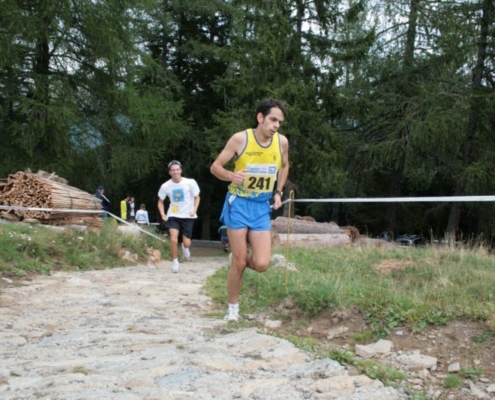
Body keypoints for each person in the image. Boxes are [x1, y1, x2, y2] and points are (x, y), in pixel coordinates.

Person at [210, 98, 289, 321]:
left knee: (262, 264)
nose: (276, 125)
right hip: (239, 204)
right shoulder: (240, 139)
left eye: (280, 122)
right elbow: (215, 166)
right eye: (273, 120)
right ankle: (233, 308)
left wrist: (278, 192)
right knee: (239, 261)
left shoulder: (281, 142)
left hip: (261, 206)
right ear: (260, 117)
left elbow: (285, 166)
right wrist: (230, 175)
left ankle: (239, 261)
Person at [157, 160, 201, 273]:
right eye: (173, 170)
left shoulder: (190, 182)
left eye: (177, 169)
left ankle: (185, 248)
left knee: (187, 242)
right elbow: (160, 201)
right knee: (173, 239)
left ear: (181, 170)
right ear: (169, 172)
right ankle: (175, 262)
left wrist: (194, 209)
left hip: (188, 215)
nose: (175, 172)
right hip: (173, 215)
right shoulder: (165, 186)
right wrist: (163, 213)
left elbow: (197, 197)